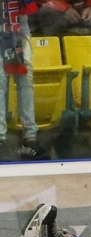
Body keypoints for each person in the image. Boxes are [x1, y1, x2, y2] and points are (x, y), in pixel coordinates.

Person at [0, 1, 48, 161]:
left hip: (19, 23)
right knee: (0, 79)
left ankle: (30, 138)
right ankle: (1, 139)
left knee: (26, 77)